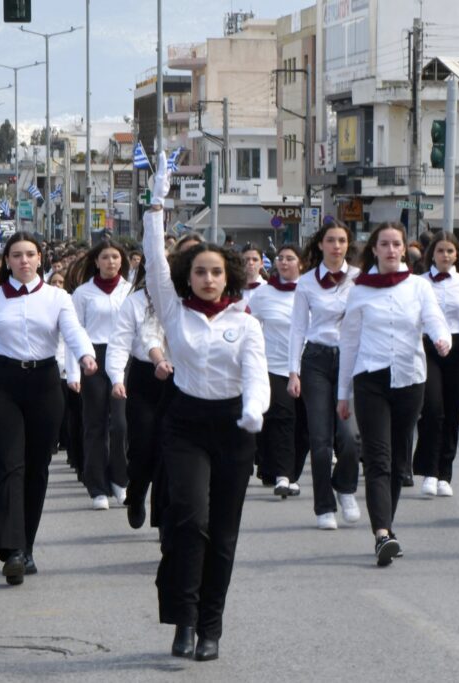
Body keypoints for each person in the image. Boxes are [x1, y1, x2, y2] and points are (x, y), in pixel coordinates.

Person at [142, 153, 270, 661]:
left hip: (236, 427)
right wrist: (156, 204)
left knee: (223, 532)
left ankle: (211, 626)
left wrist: (255, 409)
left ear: (229, 277)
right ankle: (184, 619)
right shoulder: (174, 312)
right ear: (188, 277)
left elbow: (257, 375)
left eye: (217, 272)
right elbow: (154, 261)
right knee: (188, 520)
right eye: (200, 272)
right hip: (187, 425)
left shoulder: (246, 323)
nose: (209, 279)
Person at [0, 233, 98, 586]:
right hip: (0, 384)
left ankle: (26, 547)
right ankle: (12, 549)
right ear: (6, 261)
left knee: (37, 468)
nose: (23, 261)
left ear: (40, 258)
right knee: (8, 465)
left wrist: (86, 355)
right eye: (16, 255)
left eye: (30, 254)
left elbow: (74, 331)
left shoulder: (57, 297)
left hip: (44, 384)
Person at [337, 222, 450, 564]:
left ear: (404, 249)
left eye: (396, 244)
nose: (390, 250)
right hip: (370, 378)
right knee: (378, 458)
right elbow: (350, 342)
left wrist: (441, 337)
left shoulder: (418, 287)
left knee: (400, 460)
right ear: (374, 249)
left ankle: (387, 524)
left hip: (409, 379)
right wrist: (343, 393)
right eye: (383, 244)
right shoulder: (359, 290)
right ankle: (382, 534)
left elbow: (433, 318)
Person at [288, 221, 363, 530]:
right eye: (330, 240)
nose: (336, 246)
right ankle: (324, 506)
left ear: (348, 245)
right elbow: (297, 328)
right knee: (320, 440)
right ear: (320, 245)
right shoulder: (306, 282)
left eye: (341, 240)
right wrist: (294, 371)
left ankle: (345, 487)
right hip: (316, 359)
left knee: (350, 436)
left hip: (351, 358)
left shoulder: (359, 279)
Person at [411, 232, 459, 498]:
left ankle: (445, 473)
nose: (445, 255)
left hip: (456, 348)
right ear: (432, 254)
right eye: (440, 251)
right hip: (426, 346)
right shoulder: (417, 283)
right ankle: (428, 471)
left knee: (452, 410)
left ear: (457, 255)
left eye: (450, 251)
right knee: (432, 408)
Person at [107, 261, 172, 529]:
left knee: (169, 451)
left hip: (179, 379)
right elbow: (120, 342)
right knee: (143, 445)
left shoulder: (181, 301)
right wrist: (116, 378)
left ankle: (164, 517)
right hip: (145, 380)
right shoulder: (133, 302)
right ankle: (136, 494)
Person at [71, 239, 133, 510]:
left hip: (124, 357)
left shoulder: (130, 291)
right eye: (105, 257)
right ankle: (97, 486)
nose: (111, 262)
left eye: (116, 258)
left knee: (120, 424)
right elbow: (73, 331)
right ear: (96, 261)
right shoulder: (83, 293)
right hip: (92, 358)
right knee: (95, 424)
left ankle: (120, 478)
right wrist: (74, 370)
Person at [247, 244, 308, 498]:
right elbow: (249, 322)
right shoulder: (264, 293)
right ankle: (283, 475)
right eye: (280, 258)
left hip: (309, 366)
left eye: (290, 258)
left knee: (304, 425)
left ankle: (293, 473)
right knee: (282, 420)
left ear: (301, 264)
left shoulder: (309, 291)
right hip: (274, 365)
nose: (284, 263)